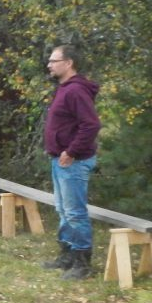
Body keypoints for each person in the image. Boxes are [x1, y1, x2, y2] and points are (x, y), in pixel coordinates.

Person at [40, 44, 101, 281]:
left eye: (54, 60)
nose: (49, 64)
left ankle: (83, 264)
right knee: (63, 210)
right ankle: (66, 255)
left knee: (75, 213)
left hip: (72, 162)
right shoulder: (64, 89)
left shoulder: (76, 90)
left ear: (69, 63)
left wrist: (72, 151)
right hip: (59, 160)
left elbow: (91, 125)